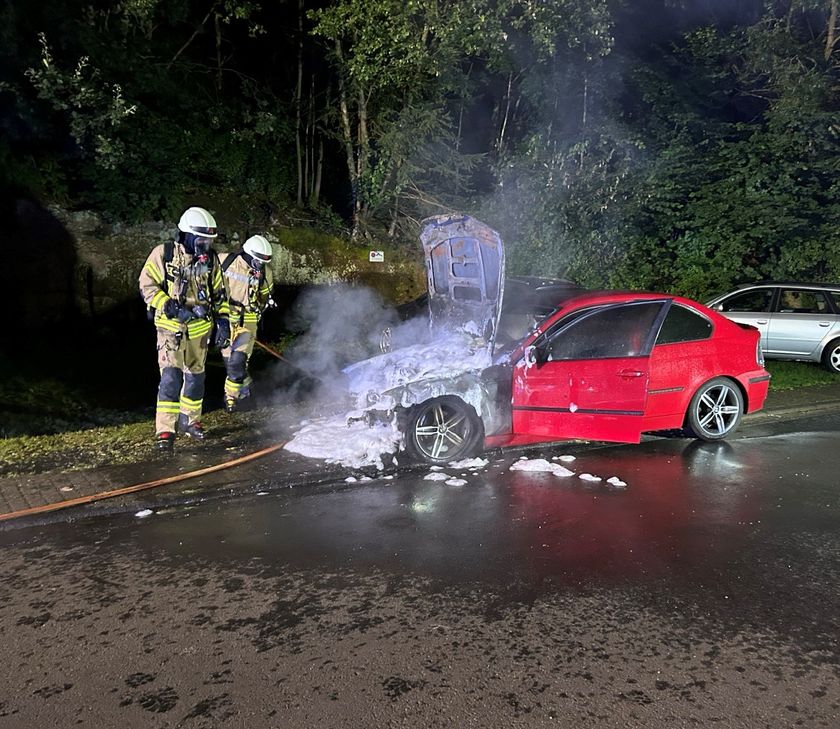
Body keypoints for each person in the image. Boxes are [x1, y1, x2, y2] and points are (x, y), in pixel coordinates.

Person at [138, 206, 231, 451]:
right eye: (201, 239)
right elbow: (147, 286)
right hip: (171, 329)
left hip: (200, 331)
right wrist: (171, 307)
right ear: (188, 235)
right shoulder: (164, 254)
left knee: (195, 379)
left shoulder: (210, 260)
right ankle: (166, 430)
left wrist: (223, 322)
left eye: (209, 240)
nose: (205, 245)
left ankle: (191, 421)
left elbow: (221, 294)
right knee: (171, 378)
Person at [220, 234, 274, 412]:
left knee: (237, 361)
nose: (260, 265)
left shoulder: (265, 273)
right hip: (226, 320)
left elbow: (264, 295)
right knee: (231, 364)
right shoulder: (225, 262)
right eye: (257, 261)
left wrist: (260, 306)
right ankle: (247, 390)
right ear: (248, 254)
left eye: (263, 263)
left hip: (248, 320)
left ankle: (231, 399)